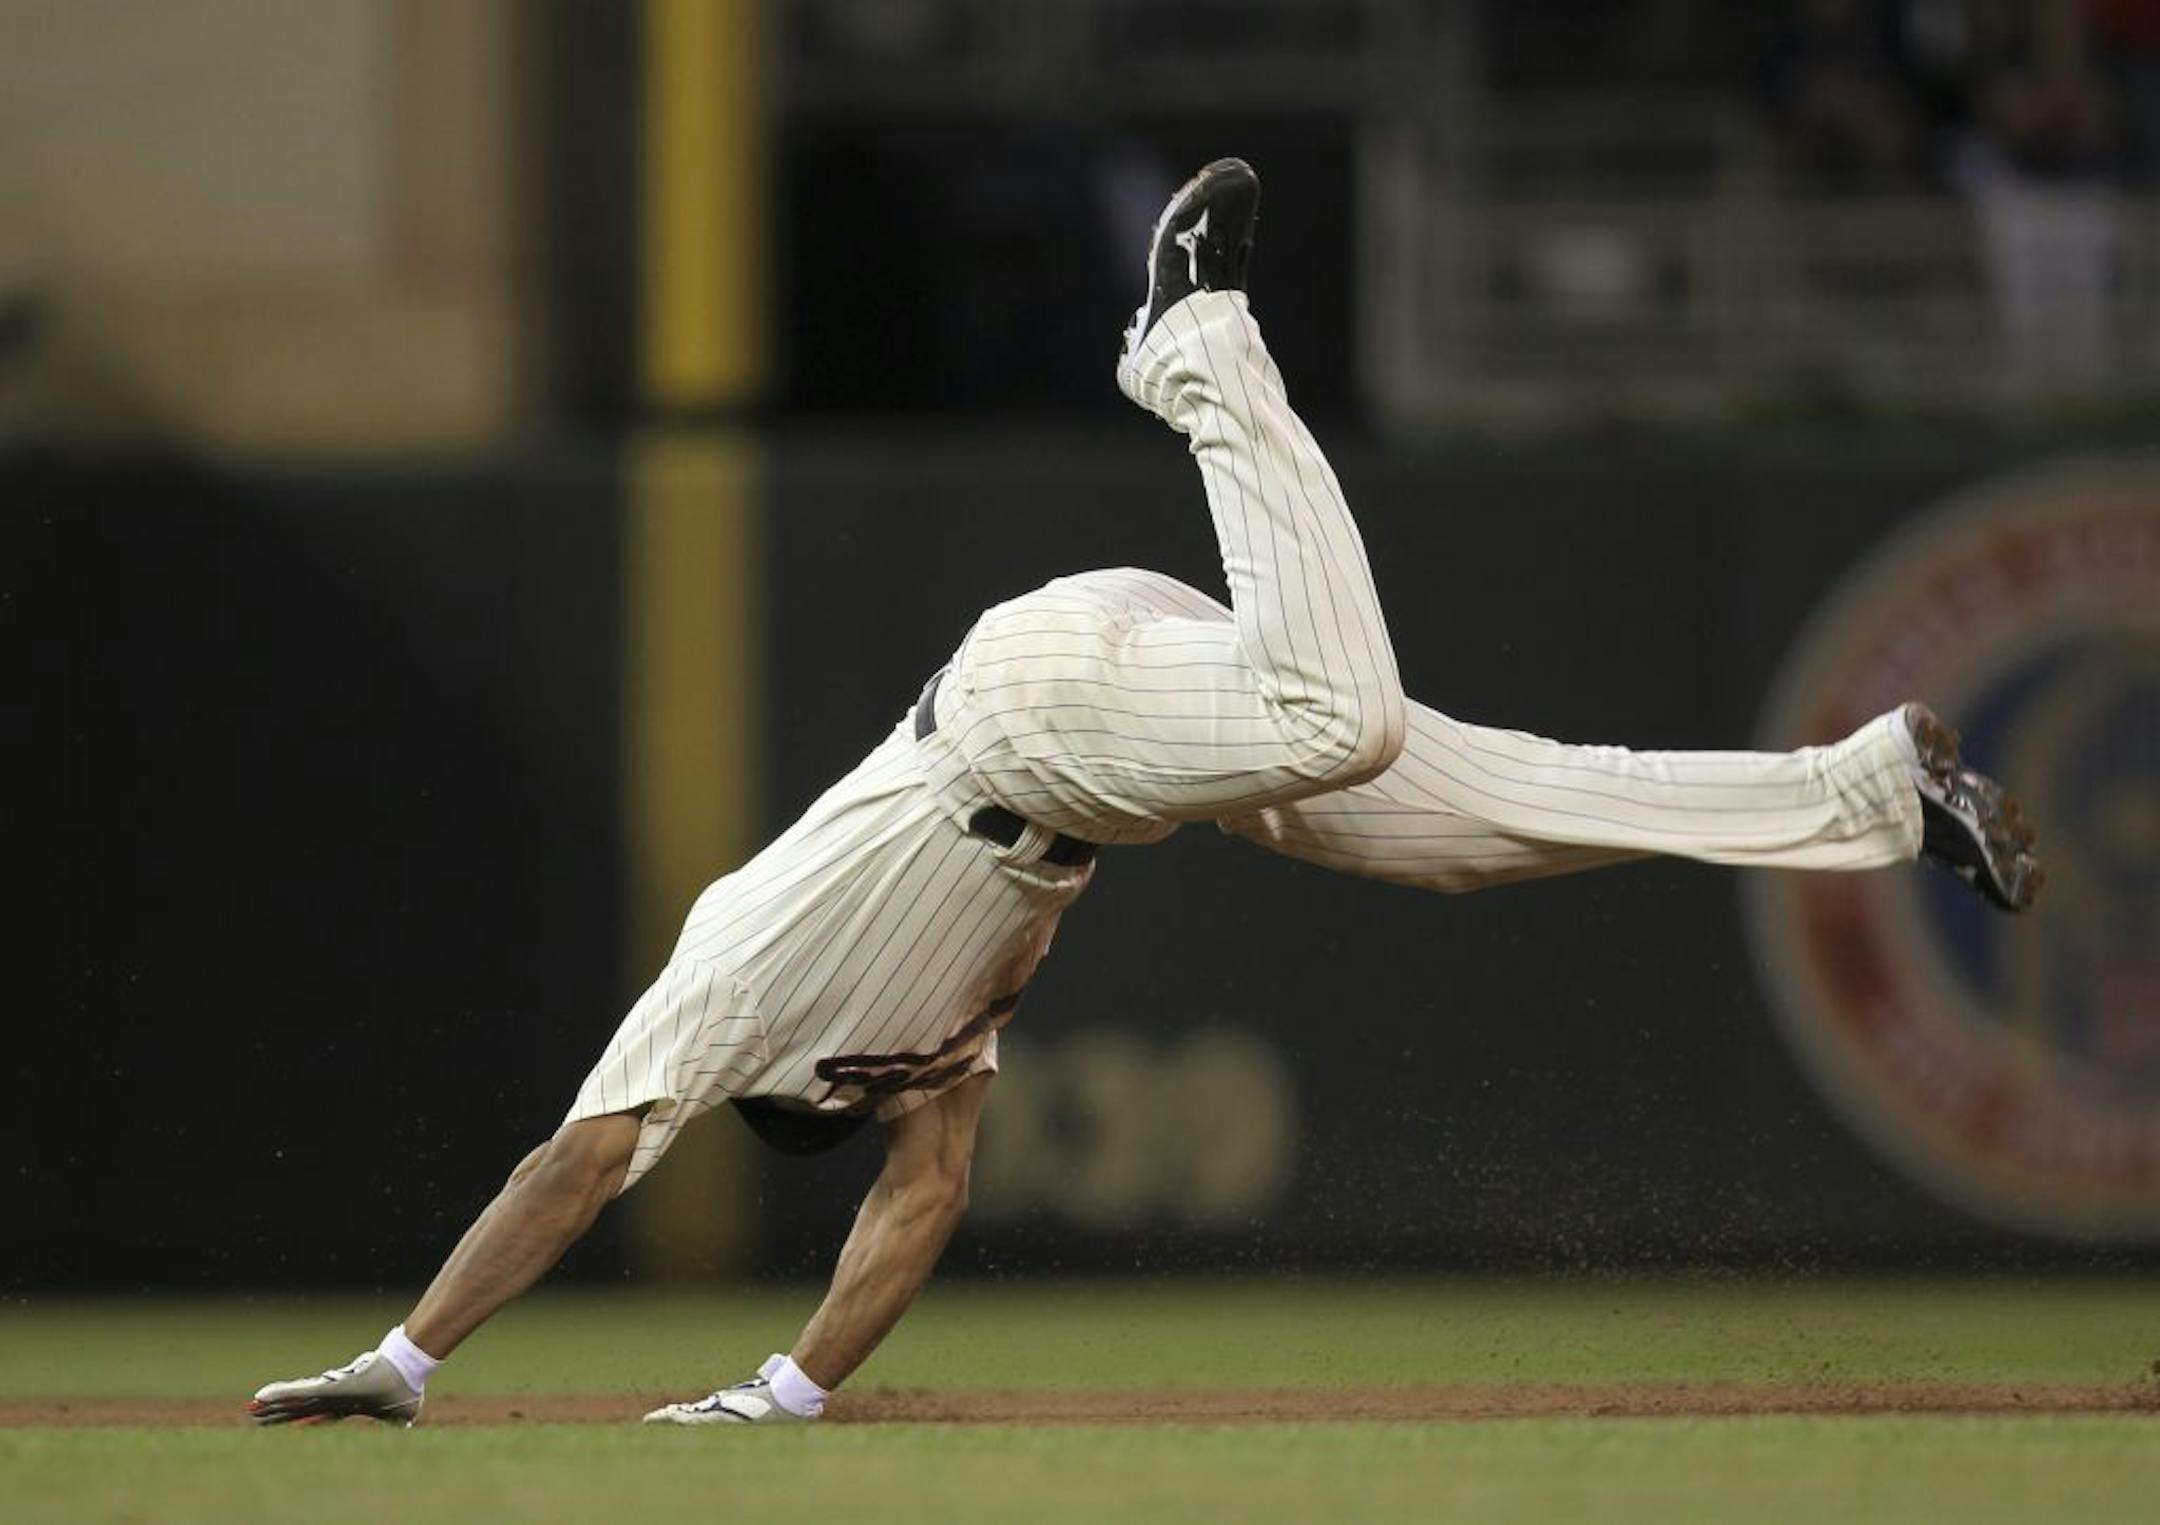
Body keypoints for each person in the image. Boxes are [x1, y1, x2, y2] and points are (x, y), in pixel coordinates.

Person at [248, 159, 2042, 1430]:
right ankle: (1877, 788)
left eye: (854, 1091)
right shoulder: (908, 1055)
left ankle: (1187, 337)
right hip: (1131, 754)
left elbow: (573, 1168)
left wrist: (402, 1359)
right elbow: (924, 1194)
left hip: (1031, 715)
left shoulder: (735, 971)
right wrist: (784, 1394)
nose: (900, 1100)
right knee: (1474, 824)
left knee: (1338, 714)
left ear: (794, 1071)